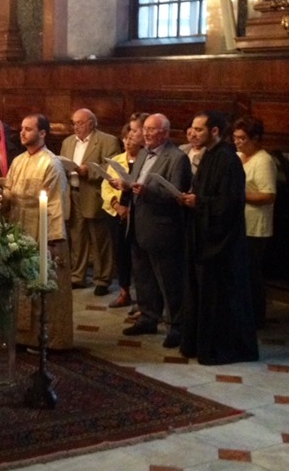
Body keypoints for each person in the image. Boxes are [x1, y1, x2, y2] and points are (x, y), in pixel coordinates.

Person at [178, 112, 259, 364]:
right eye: (192, 128)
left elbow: (230, 203)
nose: (193, 133)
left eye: (199, 129)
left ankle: (222, 349)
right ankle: (197, 345)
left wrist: (199, 201)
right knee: (200, 294)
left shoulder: (228, 160)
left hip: (221, 244)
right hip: (203, 237)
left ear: (214, 131)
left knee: (219, 299)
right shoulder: (209, 155)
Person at [0, 113, 70, 348]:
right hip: (18, 228)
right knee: (19, 284)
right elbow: (10, 196)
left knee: (40, 284)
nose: (22, 133)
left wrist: (53, 240)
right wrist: (0, 198)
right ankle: (20, 337)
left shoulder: (51, 164)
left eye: (28, 129)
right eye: (22, 129)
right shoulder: (18, 161)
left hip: (41, 230)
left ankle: (46, 340)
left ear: (42, 133)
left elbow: (55, 204)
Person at [120, 113, 191, 348]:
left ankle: (176, 325)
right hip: (138, 224)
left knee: (169, 280)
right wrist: (125, 185)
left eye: (152, 130)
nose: (147, 133)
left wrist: (147, 192)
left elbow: (177, 193)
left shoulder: (177, 158)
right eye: (145, 129)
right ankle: (148, 318)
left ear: (165, 133)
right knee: (143, 277)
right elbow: (136, 182)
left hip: (162, 228)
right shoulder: (142, 153)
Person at [60, 108, 122, 296]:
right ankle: (77, 276)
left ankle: (102, 279)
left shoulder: (107, 141)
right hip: (73, 193)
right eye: (74, 123)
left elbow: (112, 167)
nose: (76, 127)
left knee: (99, 238)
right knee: (77, 237)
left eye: (80, 123)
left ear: (91, 123)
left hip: (94, 194)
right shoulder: (68, 142)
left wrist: (90, 171)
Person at [101, 113, 148, 309]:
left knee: (139, 256)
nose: (128, 142)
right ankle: (124, 291)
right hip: (117, 213)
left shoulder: (145, 159)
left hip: (137, 213)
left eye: (132, 137)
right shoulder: (117, 160)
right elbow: (106, 186)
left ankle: (144, 297)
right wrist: (116, 205)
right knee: (120, 252)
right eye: (125, 138)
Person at [233, 116, 276, 327]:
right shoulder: (238, 157)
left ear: (256, 138)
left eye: (242, 138)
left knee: (251, 274)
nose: (237, 142)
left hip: (255, 226)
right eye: (235, 137)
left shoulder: (263, 160)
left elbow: (268, 195)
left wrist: (237, 195)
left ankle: (256, 317)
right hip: (238, 223)